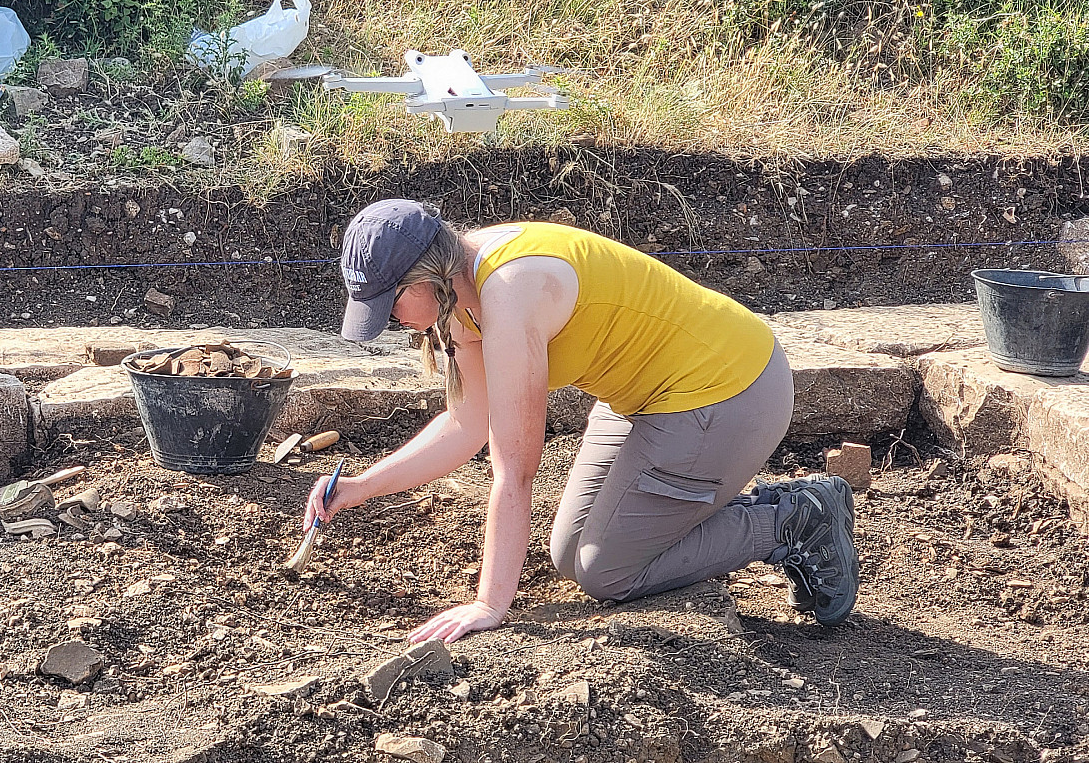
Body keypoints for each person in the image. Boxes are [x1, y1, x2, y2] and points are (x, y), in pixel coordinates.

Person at [306, 199, 859, 643]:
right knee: (570, 553)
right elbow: (467, 425)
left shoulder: (510, 293)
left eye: (392, 303)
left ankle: (794, 520)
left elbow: (516, 468)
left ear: (425, 276)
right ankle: (729, 506)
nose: (394, 321)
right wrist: (360, 487)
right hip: (644, 399)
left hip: (727, 389)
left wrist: (489, 603)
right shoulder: (460, 295)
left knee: (607, 573)